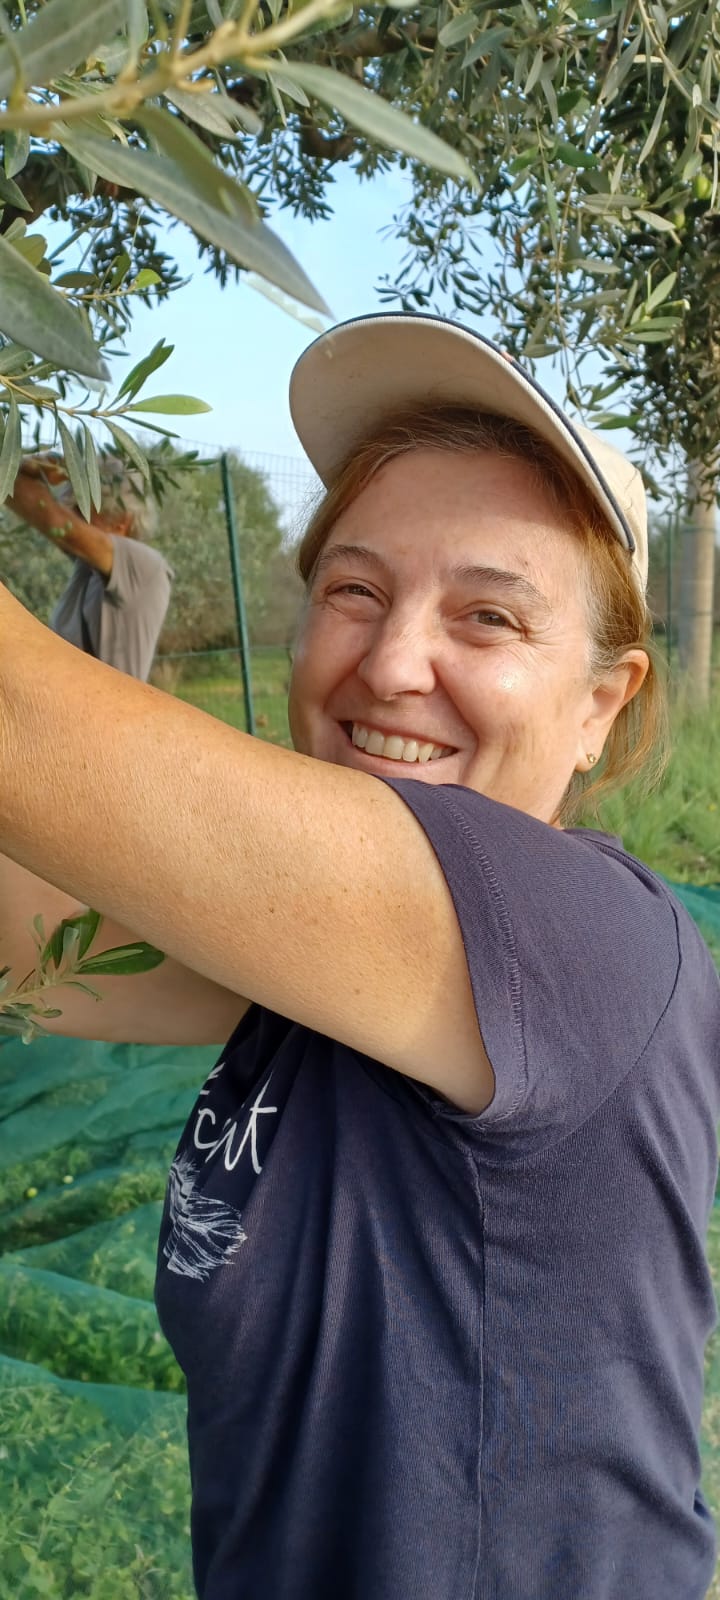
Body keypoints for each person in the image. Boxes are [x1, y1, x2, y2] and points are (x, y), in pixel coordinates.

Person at [0, 312, 718, 1600]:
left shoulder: (581, 940)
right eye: (355, 589)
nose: (391, 664)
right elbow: (29, 936)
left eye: (489, 616)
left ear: (603, 703)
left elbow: (22, 724)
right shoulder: (307, 966)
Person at [8, 451, 172, 680]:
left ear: (122, 520)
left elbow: (55, 522)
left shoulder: (142, 565)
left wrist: (18, 463)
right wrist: (28, 464)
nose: (73, 518)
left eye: (81, 509)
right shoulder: (88, 567)